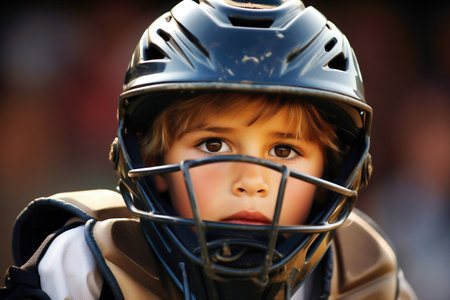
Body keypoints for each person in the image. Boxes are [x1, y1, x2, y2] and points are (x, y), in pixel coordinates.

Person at [1, 0, 417, 299]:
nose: (251, 181)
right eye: (214, 145)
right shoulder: (88, 267)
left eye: (284, 151)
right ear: (153, 161)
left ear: (334, 170)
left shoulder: (362, 273)